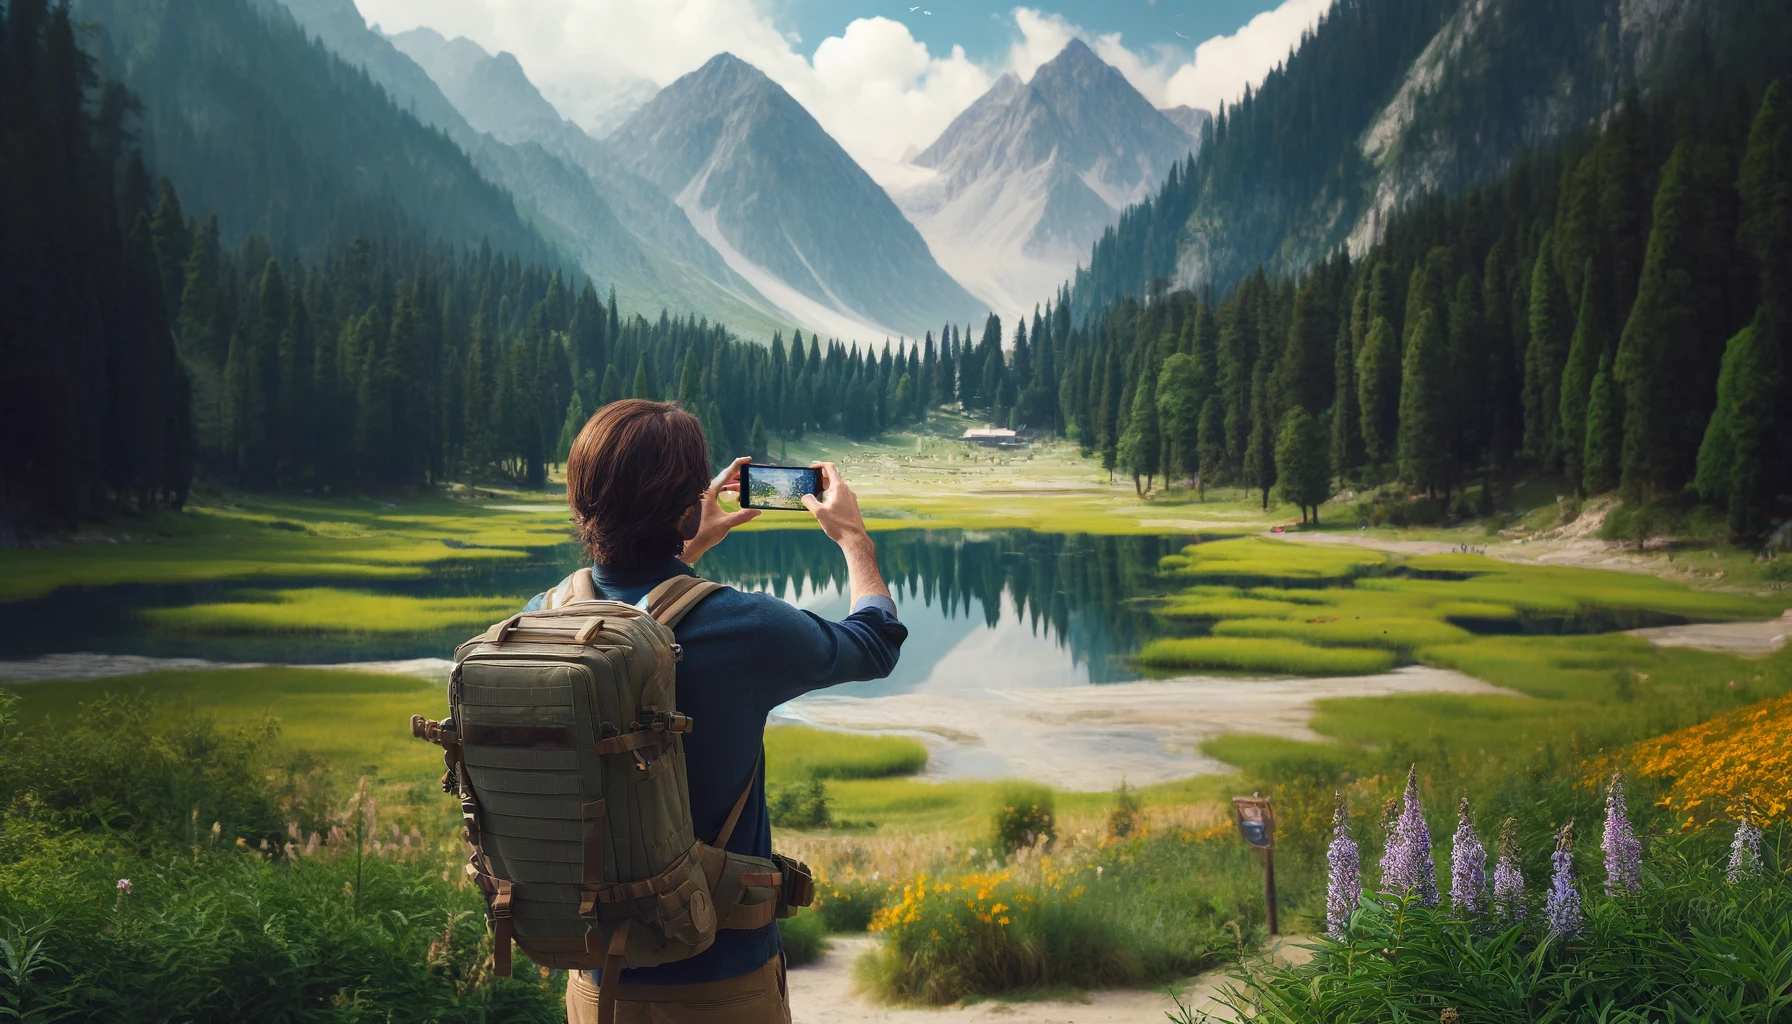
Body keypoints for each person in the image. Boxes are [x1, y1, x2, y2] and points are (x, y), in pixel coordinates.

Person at [526, 399, 906, 1024]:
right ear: (685, 505)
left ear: (580, 502)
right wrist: (853, 539)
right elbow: (874, 643)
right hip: (720, 987)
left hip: (593, 986)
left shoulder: (542, 615)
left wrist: (681, 549)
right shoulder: (742, 628)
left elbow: (641, 619)